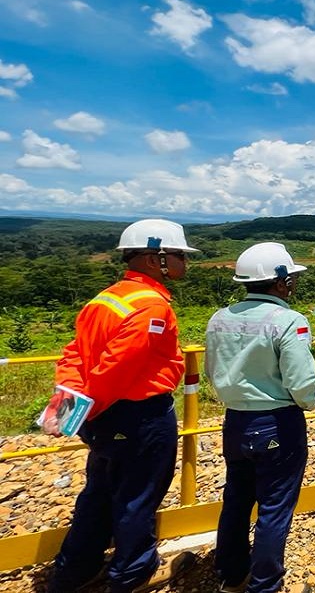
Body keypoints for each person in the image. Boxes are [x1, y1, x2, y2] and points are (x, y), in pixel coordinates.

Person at [45, 219, 198, 593]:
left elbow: (74, 356)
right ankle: (132, 575)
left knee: (98, 493)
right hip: (137, 415)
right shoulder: (151, 308)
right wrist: (86, 413)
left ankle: (73, 573)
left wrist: (69, 411)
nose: (185, 263)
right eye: (179, 255)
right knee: (137, 498)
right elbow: (115, 370)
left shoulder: (106, 298)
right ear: (154, 259)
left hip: (103, 413)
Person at [204, 243, 315, 593]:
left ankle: (231, 574)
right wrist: (308, 402)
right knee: (275, 507)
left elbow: (212, 370)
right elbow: (301, 382)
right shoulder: (288, 321)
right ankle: (266, 583)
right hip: (277, 422)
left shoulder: (219, 318)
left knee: (237, 499)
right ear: (280, 282)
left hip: (235, 419)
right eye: (290, 279)